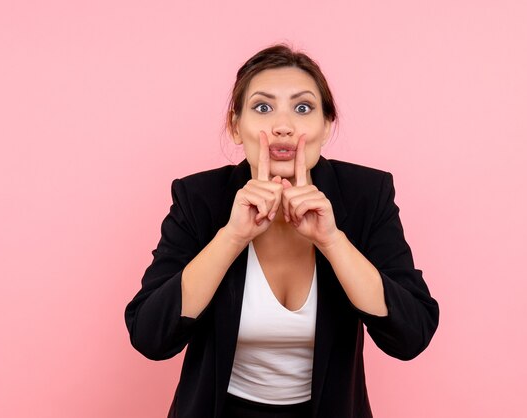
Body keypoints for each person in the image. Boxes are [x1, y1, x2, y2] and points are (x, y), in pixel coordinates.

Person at [125, 44, 439, 418]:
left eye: (303, 108)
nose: (283, 126)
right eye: (262, 107)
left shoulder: (366, 196)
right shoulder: (199, 198)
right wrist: (232, 237)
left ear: (327, 125)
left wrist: (332, 240)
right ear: (235, 126)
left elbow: (412, 335)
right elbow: (150, 336)